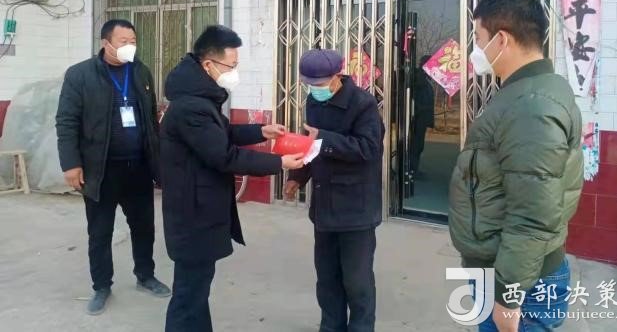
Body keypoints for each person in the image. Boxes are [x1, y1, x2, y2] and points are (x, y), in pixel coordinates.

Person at [448, 0, 584, 332]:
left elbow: (533, 213)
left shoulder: (531, 105)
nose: (475, 49)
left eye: (478, 38)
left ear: (502, 40)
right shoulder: (531, 91)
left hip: (520, 283)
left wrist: (508, 297)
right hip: (512, 271)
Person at [160, 25, 306, 332]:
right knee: (189, 294)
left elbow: (221, 134)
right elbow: (223, 155)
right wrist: (278, 162)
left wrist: (260, 131)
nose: (234, 73)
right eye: (231, 66)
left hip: (200, 206)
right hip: (193, 212)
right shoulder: (192, 107)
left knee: (197, 290)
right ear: (208, 64)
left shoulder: (200, 98)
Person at [56, 19, 170, 316]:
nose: (130, 46)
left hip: (138, 167)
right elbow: (66, 122)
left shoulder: (141, 71)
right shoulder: (80, 75)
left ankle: (145, 275)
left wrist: (158, 161)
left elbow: (150, 119)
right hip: (100, 170)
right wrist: (71, 164)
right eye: (123, 41)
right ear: (105, 43)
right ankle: (101, 286)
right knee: (100, 231)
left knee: (143, 227)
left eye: (133, 41)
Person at [285, 49, 384, 332]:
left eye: (319, 84)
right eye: (309, 84)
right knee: (327, 279)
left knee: (357, 281)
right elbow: (310, 145)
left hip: (356, 208)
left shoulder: (363, 104)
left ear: (337, 76)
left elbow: (369, 149)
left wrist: (325, 138)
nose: (314, 89)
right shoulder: (313, 102)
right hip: (325, 206)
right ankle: (331, 327)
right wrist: (298, 176)